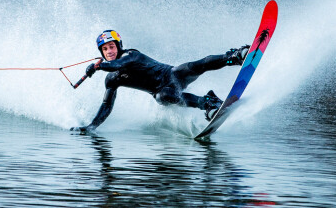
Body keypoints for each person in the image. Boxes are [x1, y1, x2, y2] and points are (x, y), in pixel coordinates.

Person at [71, 29, 249, 132]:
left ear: (119, 46)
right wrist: (91, 126)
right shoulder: (112, 79)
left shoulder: (131, 55)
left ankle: (235, 56)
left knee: (196, 66)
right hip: (162, 92)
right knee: (162, 96)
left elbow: (117, 64)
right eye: (105, 49)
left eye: (112, 47)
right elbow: (106, 106)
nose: (109, 51)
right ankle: (209, 103)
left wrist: (98, 67)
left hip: (173, 76)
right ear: (101, 53)